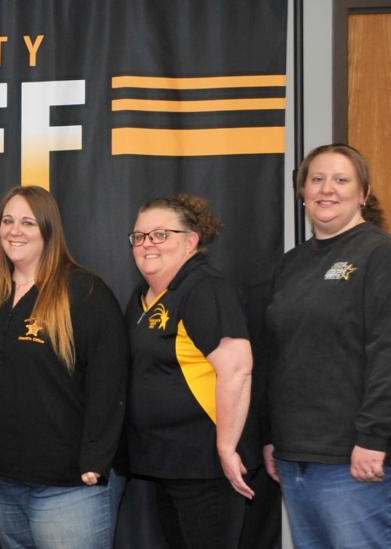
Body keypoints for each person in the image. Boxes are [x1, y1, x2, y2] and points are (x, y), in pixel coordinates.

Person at [265, 144, 391, 548]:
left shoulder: (384, 257)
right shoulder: (291, 264)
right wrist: (273, 436)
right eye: (316, 179)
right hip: (298, 456)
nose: (327, 189)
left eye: (341, 180)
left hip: (359, 461)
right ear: (302, 191)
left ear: (364, 193)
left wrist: (373, 438)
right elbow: (281, 357)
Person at [0, 186, 129, 549]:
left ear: (49, 229)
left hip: (72, 484)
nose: (15, 230)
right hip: (7, 481)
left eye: (28, 221)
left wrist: (96, 460)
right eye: (8, 221)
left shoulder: (85, 292)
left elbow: (110, 383)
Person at [125, 194, 256, 549]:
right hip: (167, 464)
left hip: (205, 467)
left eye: (160, 234)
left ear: (192, 240)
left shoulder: (204, 288)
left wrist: (227, 448)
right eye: (139, 236)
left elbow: (238, 368)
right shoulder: (143, 295)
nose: (147, 244)